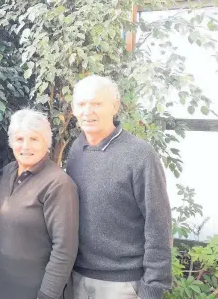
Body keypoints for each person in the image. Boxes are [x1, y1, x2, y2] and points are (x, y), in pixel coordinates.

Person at [66, 75, 172, 299]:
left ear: (114, 106)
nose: (88, 111)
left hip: (123, 284)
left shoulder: (140, 154)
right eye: (81, 104)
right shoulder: (77, 150)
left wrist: (153, 286)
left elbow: (158, 222)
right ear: (73, 109)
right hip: (77, 277)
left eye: (96, 103)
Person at [0, 109, 79, 299]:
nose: (25, 146)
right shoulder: (5, 173)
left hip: (34, 293)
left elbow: (64, 248)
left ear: (46, 143)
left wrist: (47, 294)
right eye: (19, 139)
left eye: (34, 139)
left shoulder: (58, 184)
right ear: (12, 142)